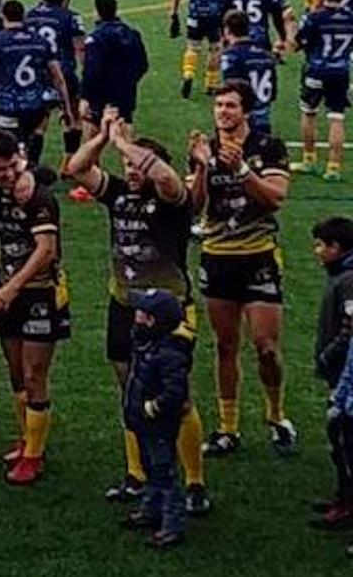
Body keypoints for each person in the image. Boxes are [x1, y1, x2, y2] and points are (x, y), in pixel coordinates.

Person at [66, 113, 211, 515]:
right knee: (131, 391)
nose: (130, 170)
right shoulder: (118, 194)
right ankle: (137, 475)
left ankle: (195, 483)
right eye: (126, 165)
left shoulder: (172, 201)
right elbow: (76, 168)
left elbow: (165, 177)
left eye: (136, 165)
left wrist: (124, 144)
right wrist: (102, 138)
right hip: (124, 307)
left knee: (177, 397)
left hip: (170, 311)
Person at [188, 80, 295, 457]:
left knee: (266, 347)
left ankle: (276, 416)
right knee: (225, 345)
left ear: (246, 111)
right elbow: (193, 206)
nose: (222, 112)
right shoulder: (206, 149)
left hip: (258, 256)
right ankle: (227, 428)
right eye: (219, 105)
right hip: (217, 256)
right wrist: (202, 167)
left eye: (230, 105)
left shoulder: (268, 147)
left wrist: (243, 170)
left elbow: (275, 198)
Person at [0, 130, 70, 486]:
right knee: (16, 371)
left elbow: (46, 250)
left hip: (39, 294)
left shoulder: (38, 196)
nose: (5, 174)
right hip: (10, 293)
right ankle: (29, 439)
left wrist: (11, 286)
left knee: (34, 374)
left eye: (11, 167)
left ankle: (34, 455)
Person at [122, 289, 194, 549]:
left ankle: (172, 525)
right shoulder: (147, 344)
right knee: (151, 468)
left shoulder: (168, 352)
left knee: (165, 474)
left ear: (152, 321)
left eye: (141, 312)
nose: (135, 316)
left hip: (158, 425)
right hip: (143, 423)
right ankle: (151, 511)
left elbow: (175, 392)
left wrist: (153, 408)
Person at [0, 0, 74, 168]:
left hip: (9, 105)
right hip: (35, 104)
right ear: (23, 16)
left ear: (3, 16)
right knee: (36, 134)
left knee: (9, 145)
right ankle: (32, 168)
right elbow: (58, 78)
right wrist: (66, 108)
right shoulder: (40, 41)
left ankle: (19, 173)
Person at [309, 216, 353, 531]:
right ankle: (343, 496)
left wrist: (328, 356)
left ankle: (347, 504)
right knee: (338, 436)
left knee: (343, 438)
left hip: (345, 375)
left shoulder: (348, 280)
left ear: (336, 247)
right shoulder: (340, 275)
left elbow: (349, 330)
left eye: (321, 245)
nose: (316, 251)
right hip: (340, 372)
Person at [26, 0, 86, 186]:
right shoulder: (71, 17)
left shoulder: (31, 15)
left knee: (39, 123)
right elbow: (80, 47)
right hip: (64, 73)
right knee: (73, 118)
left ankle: (32, 166)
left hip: (37, 74)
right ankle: (69, 165)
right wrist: (86, 71)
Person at [292, 0, 353, 181]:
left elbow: (298, 44)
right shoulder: (350, 17)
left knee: (309, 113)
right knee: (337, 118)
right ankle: (333, 168)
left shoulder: (314, 17)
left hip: (316, 70)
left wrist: (292, 29)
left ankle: (308, 160)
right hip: (340, 72)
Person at [170, 0, 233, 99]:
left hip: (195, 12)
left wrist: (173, 11)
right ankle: (211, 84)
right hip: (214, 14)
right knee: (215, 48)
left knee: (192, 46)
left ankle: (188, 74)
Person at [82, 0, 149, 134]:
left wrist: (85, 96)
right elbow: (143, 64)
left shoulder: (96, 38)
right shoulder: (132, 34)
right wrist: (129, 82)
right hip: (125, 93)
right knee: (125, 129)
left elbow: (92, 71)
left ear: (97, 12)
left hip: (100, 96)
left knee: (93, 136)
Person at [219, 9, 278, 134]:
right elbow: (273, 92)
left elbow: (230, 88)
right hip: (263, 118)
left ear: (227, 30)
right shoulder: (266, 55)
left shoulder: (231, 56)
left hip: (241, 121)